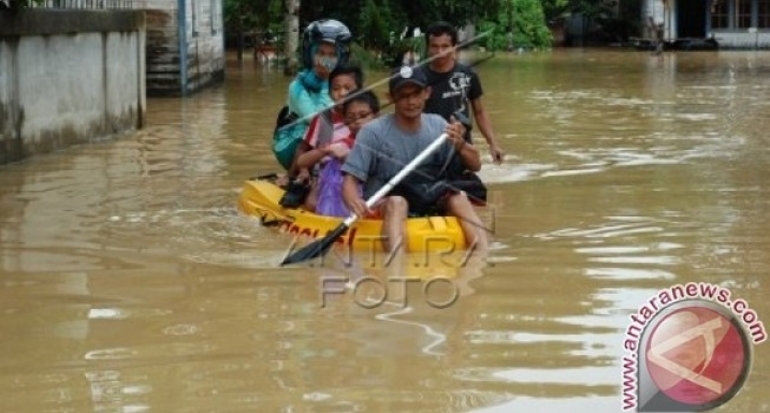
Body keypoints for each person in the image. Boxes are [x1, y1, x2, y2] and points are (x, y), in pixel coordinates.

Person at [341, 66, 489, 254]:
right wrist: (353, 200)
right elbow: (350, 180)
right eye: (403, 96)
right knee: (397, 203)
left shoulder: (439, 125)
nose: (411, 101)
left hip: (427, 194)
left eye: (416, 94)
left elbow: (475, 165)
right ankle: (396, 265)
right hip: (388, 199)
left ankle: (483, 255)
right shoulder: (372, 132)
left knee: (459, 197)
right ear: (390, 97)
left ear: (427, 93)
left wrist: (460, 144)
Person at [272, 19, 352, 179]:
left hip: (325, 140)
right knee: (322, 129)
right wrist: (327, 82)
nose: (325, 60)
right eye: (320, 53)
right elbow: (317, 119)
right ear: (310, 54)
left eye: (332, 55)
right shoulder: (297, 86)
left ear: (340, 58)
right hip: (292, 142)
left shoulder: (345, 83)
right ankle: (296, 175)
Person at [423, 21, 504, 164]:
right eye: (434, 46)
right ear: (428, 48)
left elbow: (479, 111)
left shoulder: (468, 75)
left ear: (454, 47)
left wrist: (493, 143)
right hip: (427, 147)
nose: (439, 52)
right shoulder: (418, 78)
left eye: (445, 46)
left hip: (461, 146)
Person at [294, 64, 364, 212]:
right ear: (330, 92)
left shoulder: (368, 118)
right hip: (325, 175)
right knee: (312, 204)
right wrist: (303, 170)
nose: (342, 93)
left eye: (348, 88)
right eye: (336, 89)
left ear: (359, 90)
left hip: (359, 174)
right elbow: (302, 149)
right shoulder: (322, 118)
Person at [310, 89, 381, 217]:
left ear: (377, 116)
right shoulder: (345, 143)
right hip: (349, 198)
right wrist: (324, 151)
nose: (358, 122)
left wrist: (346, 157)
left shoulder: (387, 138)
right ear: (346, 122)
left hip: (375, 193)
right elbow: (302, 161)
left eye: (364, 116)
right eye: (351, 118)